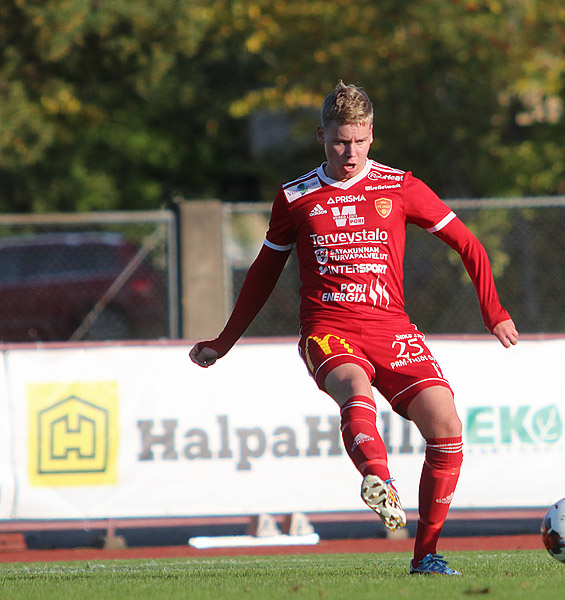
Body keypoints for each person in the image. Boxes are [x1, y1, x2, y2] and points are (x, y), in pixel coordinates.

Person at [190, 81, 518, 575]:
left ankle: (425, 555)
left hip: (392, 329)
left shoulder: (400, 186)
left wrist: (494, 311)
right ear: (322, 135)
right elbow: (262, 274)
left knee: (447, 426)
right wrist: (224, 341)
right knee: (354, 389)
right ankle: (378, 480)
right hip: (329, 328)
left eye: (360, 141)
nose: (350, 152)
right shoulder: (296, 197)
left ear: (372, 136)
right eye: (341, 141)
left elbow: (470, 245)